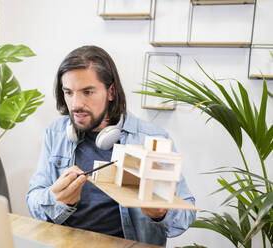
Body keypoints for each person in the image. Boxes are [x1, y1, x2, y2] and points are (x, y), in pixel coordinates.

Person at [26, 45, 196, 247]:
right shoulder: (56, 133)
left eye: (87, 92)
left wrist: (162, 213)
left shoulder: (151, 139)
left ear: (111, 92)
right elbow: (33, 201)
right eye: (68, 93)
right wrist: (57, 200)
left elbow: (186, 215)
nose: (76, 104)